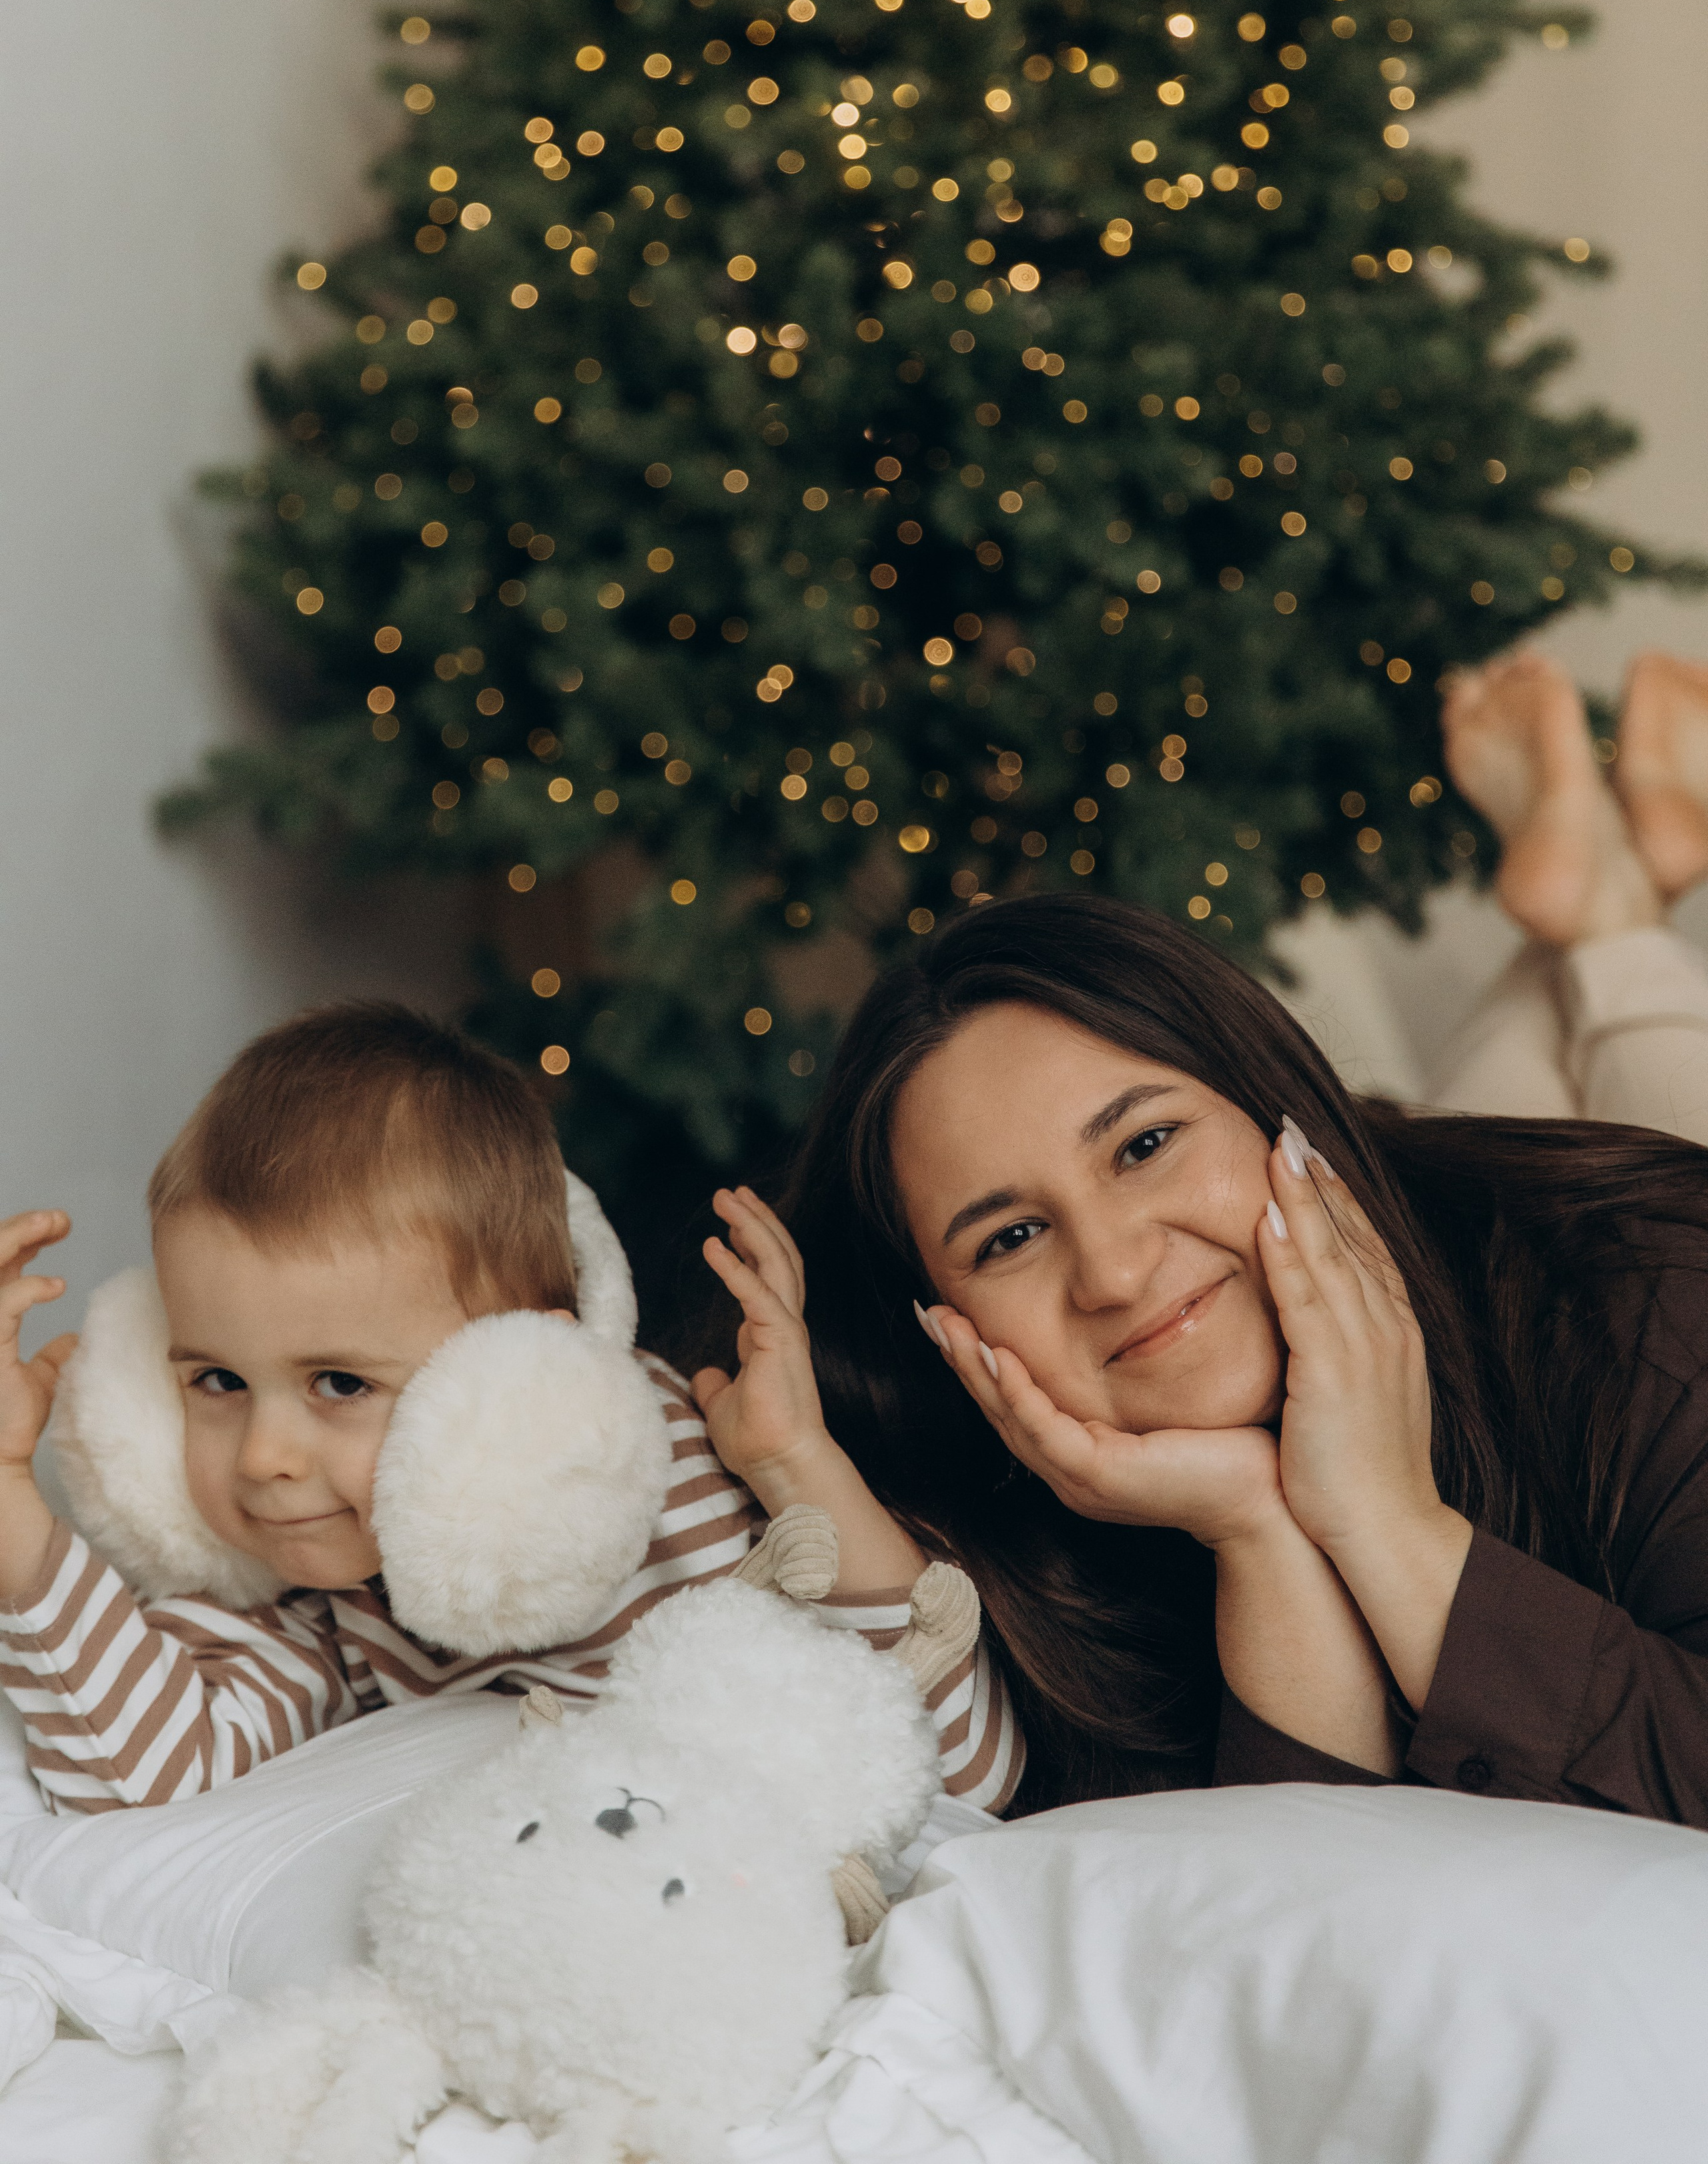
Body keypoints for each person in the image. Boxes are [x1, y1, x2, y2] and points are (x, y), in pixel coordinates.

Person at [689, 649, 1708, 1822]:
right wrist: (1254, 1519)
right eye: (1011, 1237)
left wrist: (1392, 1524)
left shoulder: (1648, 1282)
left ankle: (1609, 927)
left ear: (1272, 1097)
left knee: (1615, 1109)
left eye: (1142, 1146)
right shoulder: (1002, 1564)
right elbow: (1285, 1911)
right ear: (941, 1319)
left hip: (1520, 1214)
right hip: (1412, 1181)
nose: (1117, 1271)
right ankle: (1590, 905)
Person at [0, 1006, 1012, 1813]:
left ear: (519, 1368)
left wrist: (797, 1465)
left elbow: (968, 1777)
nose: (264, 1457)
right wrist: (9, 1495)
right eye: (216, 1381)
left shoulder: (687, 1494)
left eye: (341, 1384)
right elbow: (151, 1771)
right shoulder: (320, 1591)